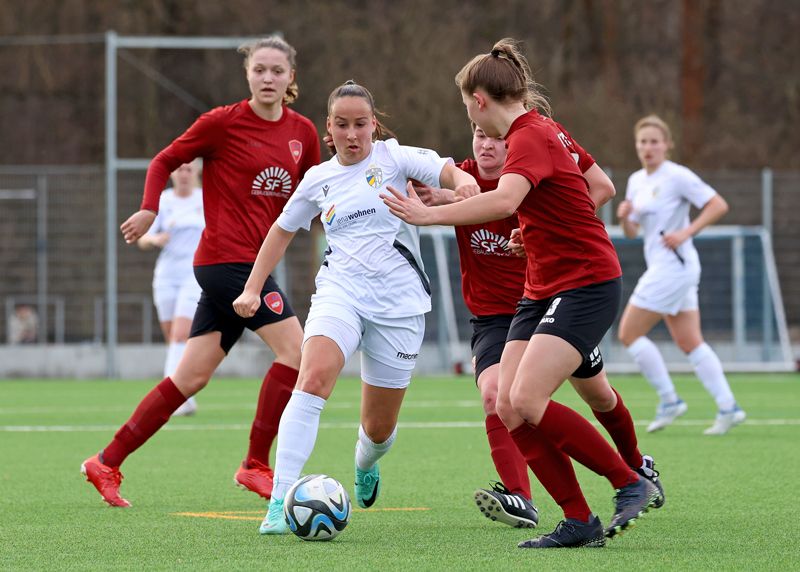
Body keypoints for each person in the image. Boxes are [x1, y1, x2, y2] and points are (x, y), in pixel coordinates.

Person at [382, 39, 662, 548]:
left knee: (530, 398)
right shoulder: (531, 131)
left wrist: (429, 214)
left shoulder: (529, 134)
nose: (470, 119)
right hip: (543, 288)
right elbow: (536, 201)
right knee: (508, 406)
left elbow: (505, 199)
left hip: (586, 282)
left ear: (480, 100)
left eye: (467, 106)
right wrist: (526, 232)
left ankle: (628, 481)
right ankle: (579, 520)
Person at [80, 36, 320, 508]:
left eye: (277, 70)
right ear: (247, 74)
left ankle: (106, 461)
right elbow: (164, 159)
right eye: (259, 70)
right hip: (225, 262)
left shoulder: (303, 132)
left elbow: (316, 195)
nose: (268, 78)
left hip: (252, 265)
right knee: (296, 353)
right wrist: (150, 209)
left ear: (292, 76)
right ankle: (254, 464)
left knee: (189, 378)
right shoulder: (223, 123)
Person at [231, 80, 479, 535]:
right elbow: (280, 232)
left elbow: (451, 172)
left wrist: (463, 186)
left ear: (373, 124)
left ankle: (366, 463)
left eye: (360, 124)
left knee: (378, 430)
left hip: (400, 307)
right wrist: (251, 288)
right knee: (312, 378)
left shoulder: (395, 157)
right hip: (340, 294)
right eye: (342, 125)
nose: (352, 134)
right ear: (328, 128)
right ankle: (278, 503)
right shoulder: (317, 179)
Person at [413, 121, 625, 531]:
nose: (486, 143)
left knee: (597, 396)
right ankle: (523, 498)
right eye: (477, 133)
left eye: (495, 136)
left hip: (555, 304)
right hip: (497, 318)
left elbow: (586, 190)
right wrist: (434, 196)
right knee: (499, 396)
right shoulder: (463, 176)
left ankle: (633, 469)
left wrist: (539, 231)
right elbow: (413, 169)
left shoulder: (533, 167)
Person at [617, 114, 746, 436]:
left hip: (674, 266)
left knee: (629, 333)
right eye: (642, 142)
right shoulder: (635, 181)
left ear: (667, 145)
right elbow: (632, 233)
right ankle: (729, 406)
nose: (648, 148)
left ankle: (669, 400)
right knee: (690, 341)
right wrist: (626, 218)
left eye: (654, 142)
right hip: (668, 267)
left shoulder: (677, 176)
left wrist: (686, 232)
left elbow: (717, 205)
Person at [137, 160, 204, 416]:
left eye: (188, 170)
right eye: (179, 170)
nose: (184, 174)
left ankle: (167, 400)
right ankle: (185, 396)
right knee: (173, 341)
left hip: (195, 275)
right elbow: (143, 238)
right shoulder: (164, 201)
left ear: (195, 172)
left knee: (180, 335)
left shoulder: (206, 198)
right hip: (166, 276)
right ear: (172, 174)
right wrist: (155, 238)